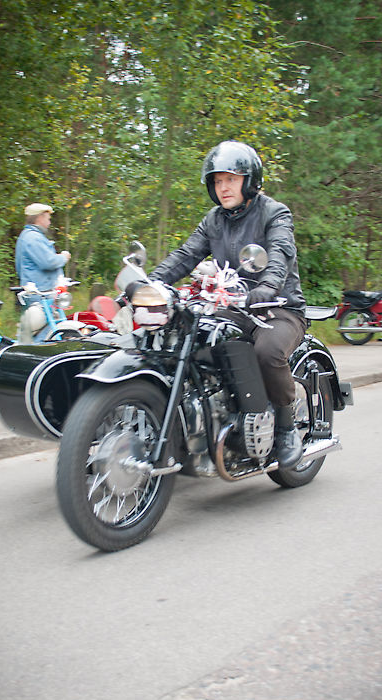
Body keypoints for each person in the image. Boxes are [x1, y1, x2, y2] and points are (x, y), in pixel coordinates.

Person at [136, 140, 307, 469]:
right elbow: (186, 255)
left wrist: (268, 286)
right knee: (192, 338)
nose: (223, 187)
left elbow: (281, 253)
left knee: (267, 353)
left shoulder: (274, 212)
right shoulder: (214, 219)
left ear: (249, 179)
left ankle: (286, 428)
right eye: (217, 181)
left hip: (278, 307)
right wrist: (150, 284)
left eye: (231, 178)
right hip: (233, 305)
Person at [15, 203, 71, 291]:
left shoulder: (27, 235)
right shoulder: (33, 237)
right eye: (48, 219)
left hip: (36, 290)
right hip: (40, 293)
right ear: (40, 218)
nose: (49, 222)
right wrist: (63, 257)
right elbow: (49, 262)